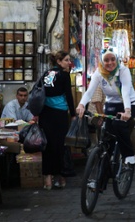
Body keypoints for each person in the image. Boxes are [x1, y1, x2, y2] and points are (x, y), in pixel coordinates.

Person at [76, 47, 135, 165]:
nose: (110, 63)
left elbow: (125, 92)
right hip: (111, 104)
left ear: (117, 60)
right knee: (107, 133)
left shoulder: (123, 71)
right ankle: (106, 166)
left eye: (112, 59)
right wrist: (81, 105)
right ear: (101, 61)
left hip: (129, 103)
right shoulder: (99, 73)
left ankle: (129, 155)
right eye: (106, 60)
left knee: (118, 124)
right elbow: (89, 92)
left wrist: (127, 111)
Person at [39, 50, 75, 190]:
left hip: (45, 114)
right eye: (66, 60)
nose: (68, 62)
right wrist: (73, 113)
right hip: (59, 114)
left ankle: (47, 179)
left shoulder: (46, 74)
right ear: (59, 62)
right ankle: (61, 178)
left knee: (47, 146)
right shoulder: (64, 75)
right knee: (60, 145)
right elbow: (69, 96)